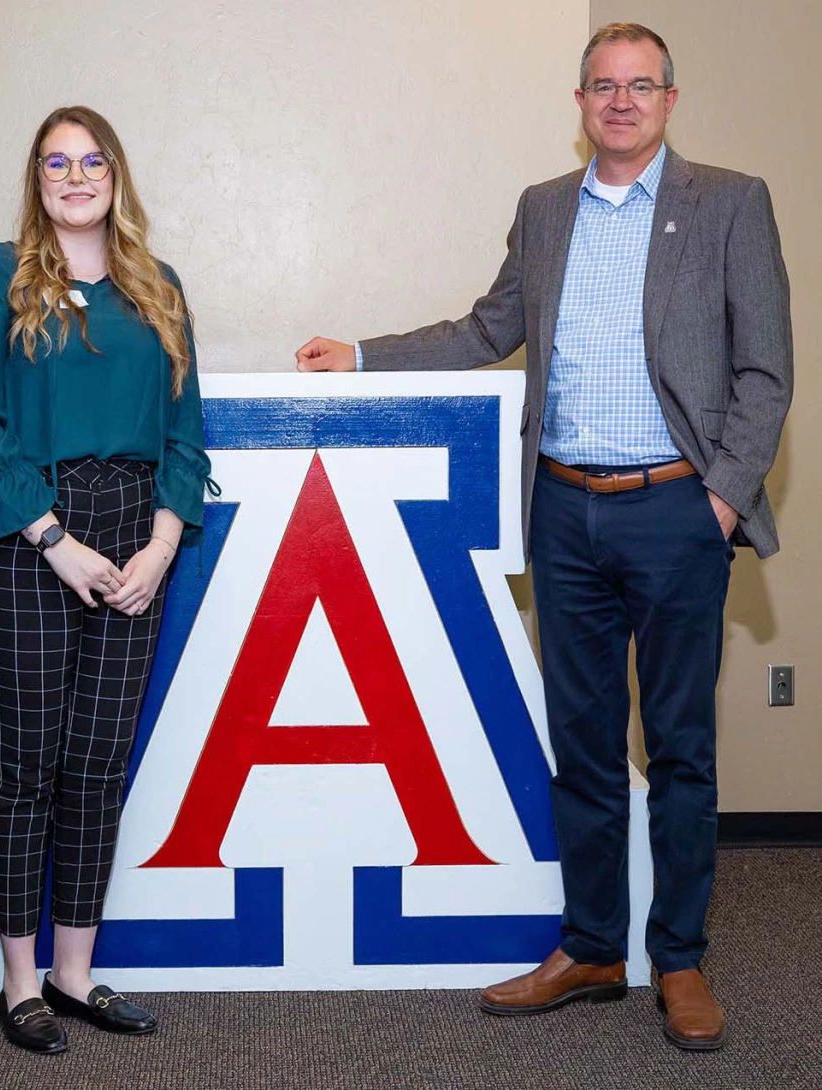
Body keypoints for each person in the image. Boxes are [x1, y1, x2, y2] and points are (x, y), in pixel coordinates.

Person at [296, 23, 792, 1051]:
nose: (621, 101)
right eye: (603, 86)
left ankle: (682, 959)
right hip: (563, 511)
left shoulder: (731, 203)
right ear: (579, 103)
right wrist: (361, 356)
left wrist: (722, 499)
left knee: (682, 748)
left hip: (676, 510)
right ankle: (595, 947)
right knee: (582, 746)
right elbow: (487, 329)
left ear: (669, 97)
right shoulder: (546, 209)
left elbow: (766, 371)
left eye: (640, 85)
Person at [0, 105, 212, 1054]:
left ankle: (72, 974)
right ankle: (18, 983)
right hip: (26, 537)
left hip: (136, 542)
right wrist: (56, 538)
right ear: (36, 179)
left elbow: (187, 430)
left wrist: (162, 544)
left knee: (98, 770)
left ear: (117, 174)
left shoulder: (158, 286)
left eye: (91, 159)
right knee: (27, 773)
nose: (74, 175)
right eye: (55, 162)